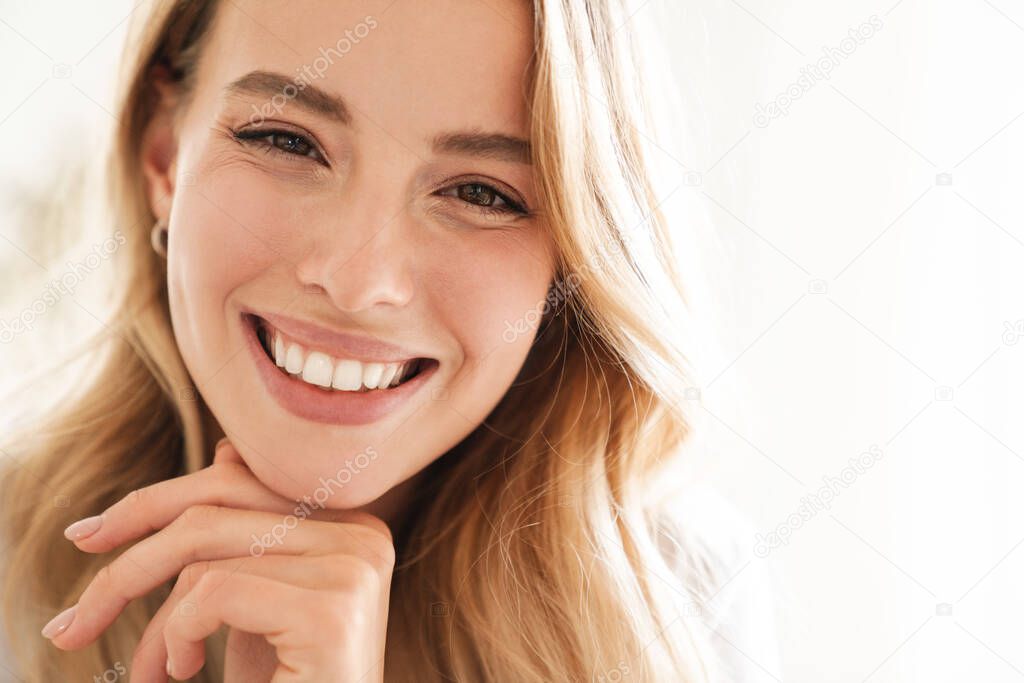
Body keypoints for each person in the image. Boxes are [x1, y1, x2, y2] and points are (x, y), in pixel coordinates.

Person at [0, 0, 776, 680]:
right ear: (165, 156)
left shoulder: (678, 605)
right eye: (286, 141)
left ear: (574, 254)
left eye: (480, 192)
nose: (355, 278)